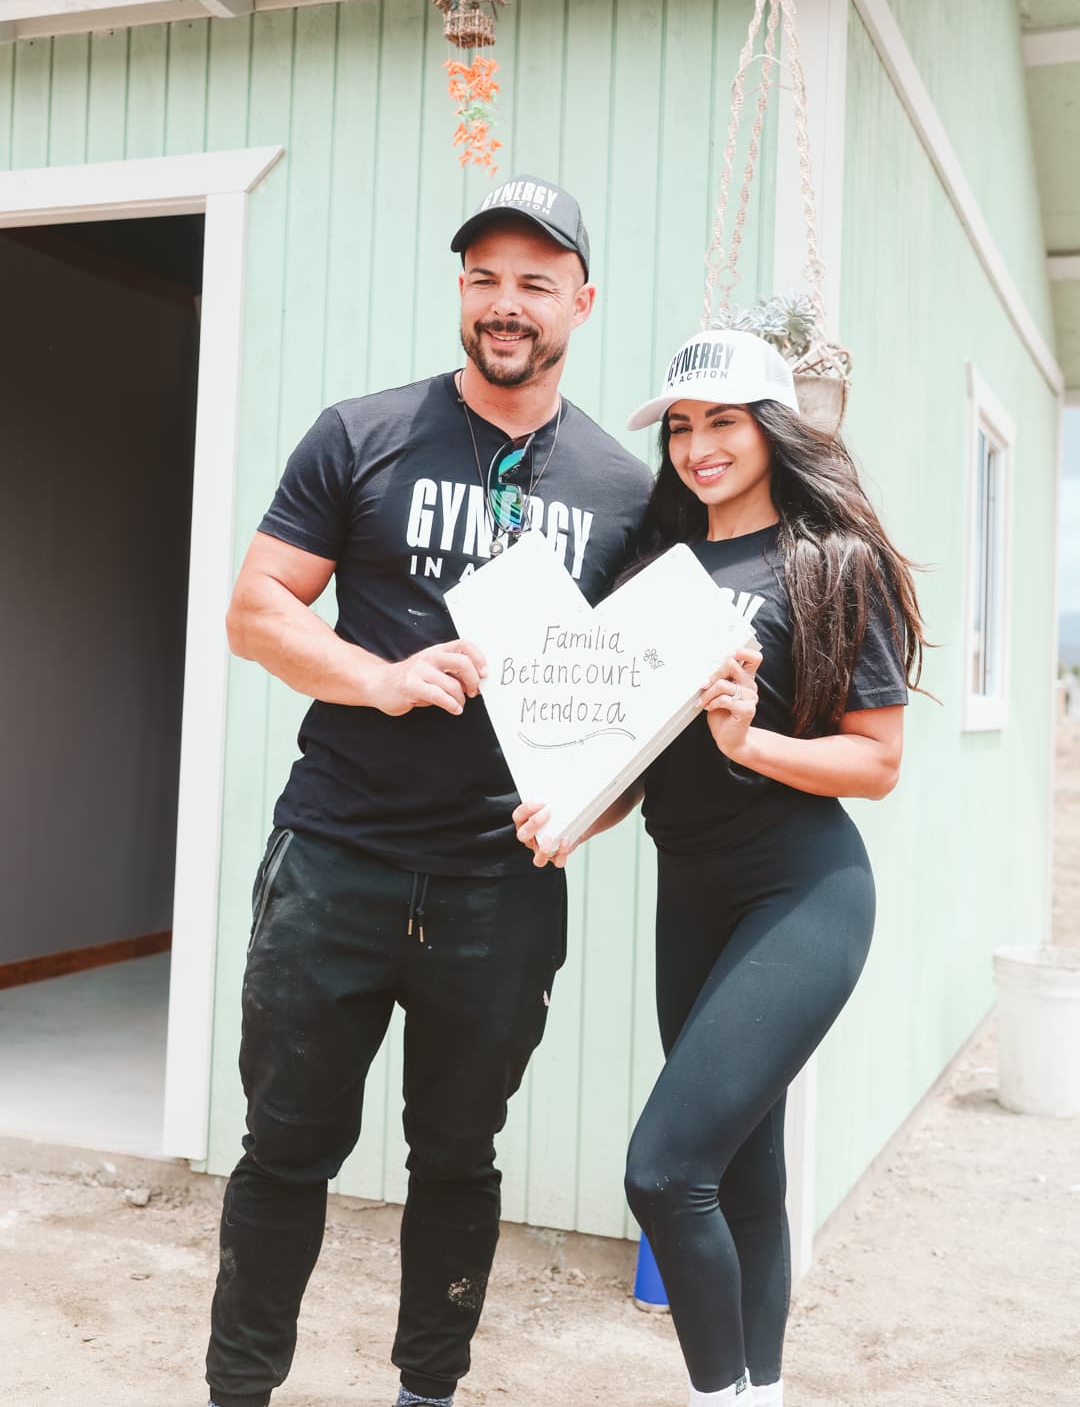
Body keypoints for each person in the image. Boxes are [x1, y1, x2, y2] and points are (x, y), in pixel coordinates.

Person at [205, 173, 653, 1407]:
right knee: (285, 1150)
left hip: (498, 888)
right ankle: (238, 1393)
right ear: (463, 290)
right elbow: (256, 611)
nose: (506, 306)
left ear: (581, 301)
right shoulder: (362, 433)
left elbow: (636, 705)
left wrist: (587, 809)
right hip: (335, 858)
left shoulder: (623, 490)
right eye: (485, 280)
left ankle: (427, 1393)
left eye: (534, 284)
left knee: (458, 1158)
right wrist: (380, 677)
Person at [515, 326, 925, 1407]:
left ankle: (719, 1398)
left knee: (663, 1170)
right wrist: (571, 816)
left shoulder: (832, 564)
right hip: (689, 893)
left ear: (771, 429)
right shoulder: (660, 571)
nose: (698, 447)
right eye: (684, 427)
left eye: (723, 423)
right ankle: (762, 1396)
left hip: (802, 893)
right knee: (744, 1169)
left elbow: (876, 762)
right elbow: (635, 758)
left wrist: (754, 743)